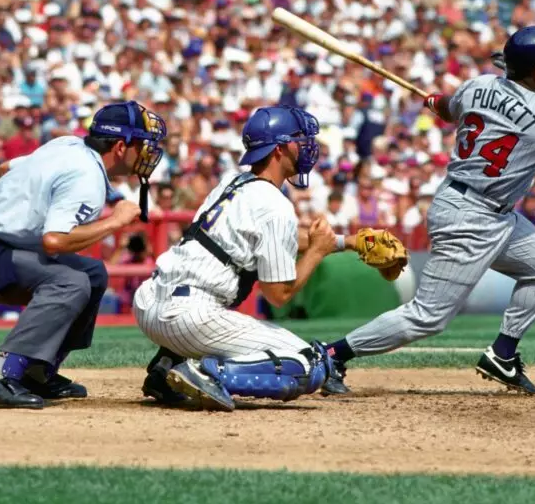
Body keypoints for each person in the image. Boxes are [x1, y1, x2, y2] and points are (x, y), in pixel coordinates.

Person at [321, 25, 535, 396]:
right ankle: (330, 354)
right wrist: (512, 74)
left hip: (486, 209)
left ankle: (502, 354)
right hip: (471, 216)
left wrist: (439, 100)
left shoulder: (477, 86)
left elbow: (447, 109)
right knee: (427, 316)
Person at [133, 106, 406, 412]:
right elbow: (279, 294)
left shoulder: (232, 181)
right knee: (310, 363)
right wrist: (317, 252)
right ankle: (205, 374)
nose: (306, 147)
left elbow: (275, 240)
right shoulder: (275, 205)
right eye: (299, 140)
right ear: (279, 149)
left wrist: (349, 242)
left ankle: (165, 367)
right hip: (190, 316)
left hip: (150, 303)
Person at [0, 101, 166, 409]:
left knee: (93, 274)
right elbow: (54, 241)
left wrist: (12, 212)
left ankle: (38, 372)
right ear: (121, 146)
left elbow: (3, 169)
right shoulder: (86, 176)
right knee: (70, 282)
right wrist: (116, 221)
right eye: (144, 144)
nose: (149, 153)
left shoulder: (68, 144)